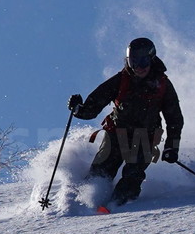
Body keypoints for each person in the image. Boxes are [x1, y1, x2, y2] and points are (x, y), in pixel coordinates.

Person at [69, 37, 184, 206]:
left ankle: (117, 207)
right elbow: (94, 105)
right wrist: (79, 109)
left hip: (145, 137)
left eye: (144, 61)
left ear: (152, 59)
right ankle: (83, 204)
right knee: (101, 171)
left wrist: (171, 148)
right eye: (134, 62)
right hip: (116, 134)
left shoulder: (162, 85)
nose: (139, 67)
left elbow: (175, 119)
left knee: (133, 174)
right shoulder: (121, 80)